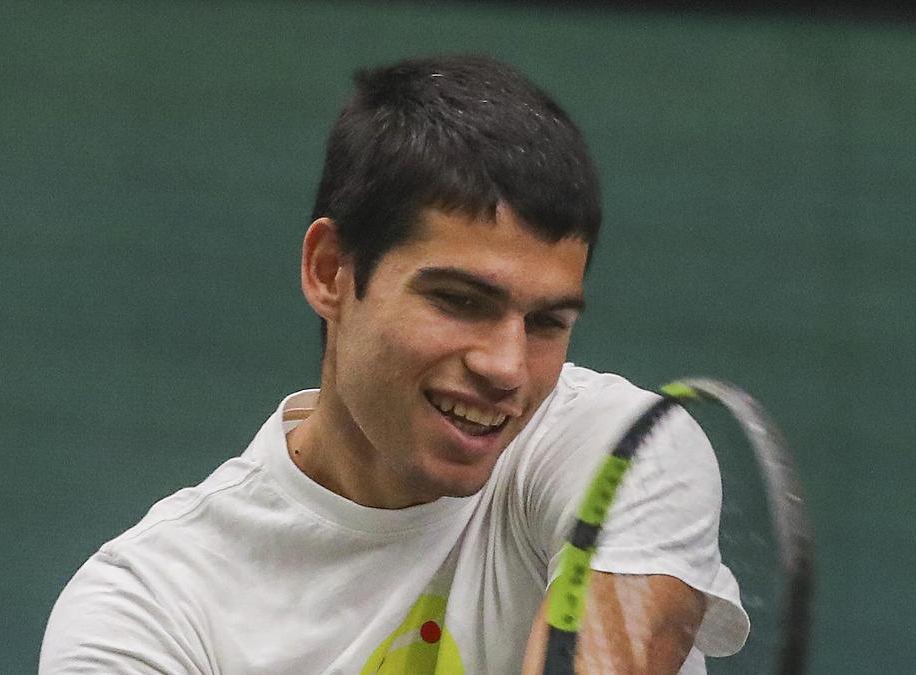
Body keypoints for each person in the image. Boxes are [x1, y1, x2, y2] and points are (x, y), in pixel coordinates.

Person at [40, 55, 748, 674]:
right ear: (330, 272)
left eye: (546, 322)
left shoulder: (629, 452)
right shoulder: (141, 612)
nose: (507, 367)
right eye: (460, 300)